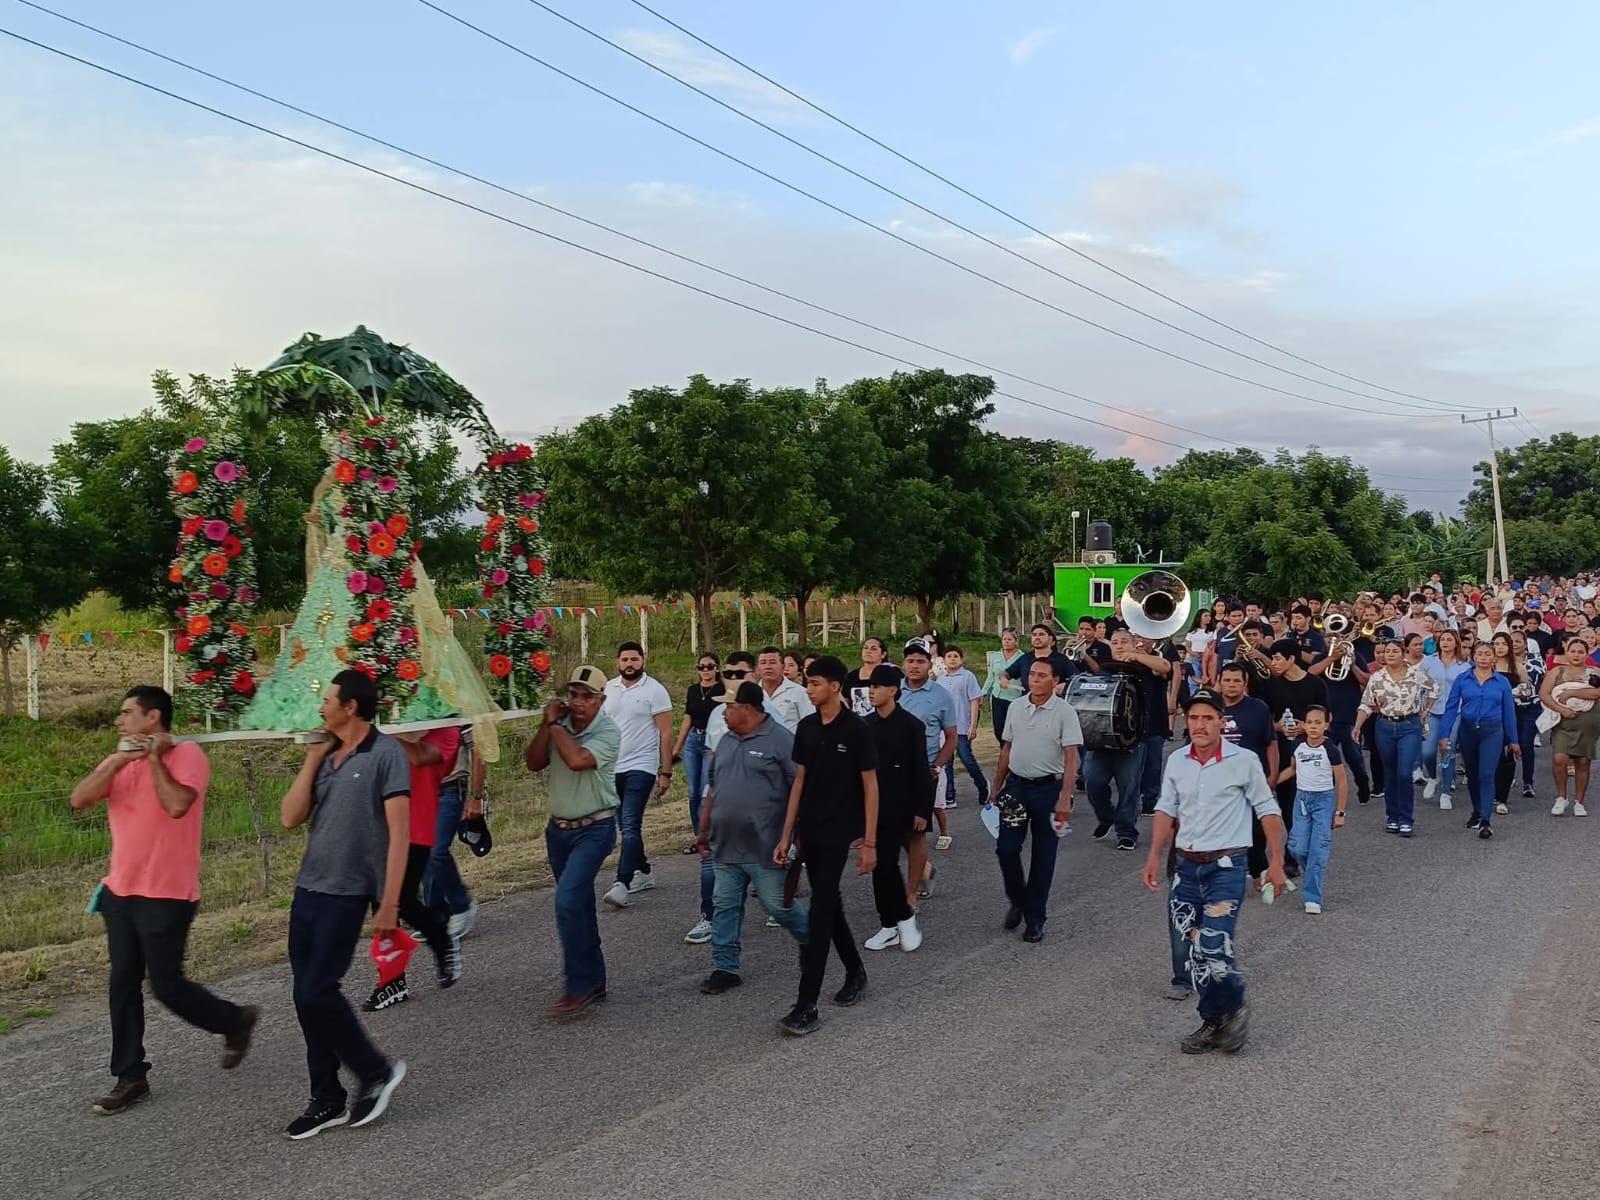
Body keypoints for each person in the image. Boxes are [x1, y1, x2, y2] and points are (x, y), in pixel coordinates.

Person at [68, 686, 257, 1117]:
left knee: (168, 986)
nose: (118, 720)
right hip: (120, 892)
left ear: (153, 717)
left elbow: (176, 806)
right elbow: (78, 800)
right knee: (122, 983)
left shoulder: (187, 755)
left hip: (167, 894)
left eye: (127, 712)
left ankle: (235, 1020)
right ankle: (130, 1075)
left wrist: (154, 759)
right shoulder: (118, 759)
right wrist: (121, 760)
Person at [278, 670, 409, 1138]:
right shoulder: (327, 754)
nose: (321, 707)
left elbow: (399, 834)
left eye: (327, 700)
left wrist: (389, 902)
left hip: (349, 892)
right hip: (309, 888)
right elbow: (290, 817)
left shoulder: (387, 754)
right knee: (306, 995)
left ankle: (375, 1070)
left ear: (350, 707)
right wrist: (313, 758)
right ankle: (327, 1098)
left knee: (317, 990)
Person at [1143, 687, 1286, 1056]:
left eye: (1208, 718)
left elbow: (1267, 810)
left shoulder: (1244, 760)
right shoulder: (1177, 760)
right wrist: (1154, 856)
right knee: (1194, 954)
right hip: (1186, 867)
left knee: (1213, 945)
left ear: (1222, 722)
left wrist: (1276, 863)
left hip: (1226, 867)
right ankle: (1213, 1020)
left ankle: (1235, 1006)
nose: (1200, 725)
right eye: (1193, 717)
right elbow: (1166, 809)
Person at [773, 656, 878, 1037]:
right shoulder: (806, 727)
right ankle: (855, 971)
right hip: (810, 831)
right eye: (807, 682)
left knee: (819, 914)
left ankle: (807, 1005)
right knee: (829, 905)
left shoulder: (857, 729)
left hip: (839, 833)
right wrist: (787, 834)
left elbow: (871, 786)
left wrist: (870, 841)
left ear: (835, 686)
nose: (809, 689)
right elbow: (799, 781)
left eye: (815, 683)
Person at [696, 682, 810, 994]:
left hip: (766, 845)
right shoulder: (726, 741)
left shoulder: (781, 741)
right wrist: (704, 830)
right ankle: (725, 968)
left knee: (778, 906)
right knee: (724, 905)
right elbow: (713, 788)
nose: (723, 713)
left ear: (747, 708)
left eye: (728, 707)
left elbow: (800, 790)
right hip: (726, 844)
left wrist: (794, 836)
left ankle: (812, 939)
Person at [526, 665, 620, 1016]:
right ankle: (593, 981)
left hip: (595, 828)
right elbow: (533, 762)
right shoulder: (560, 725)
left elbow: (578, 760)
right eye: (574, 695)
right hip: (559, 831)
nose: (578, 702)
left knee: (567, 901)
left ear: (601, 700)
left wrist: (554, 725)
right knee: (577, 904)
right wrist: (545, 724)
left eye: (587, 696)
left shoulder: (608, 731)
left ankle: (577, 985)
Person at [363, 727, 464, 1011]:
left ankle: (442, 940)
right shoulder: (382, 721)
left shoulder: (446, 726)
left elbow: (421, 756)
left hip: (415, 824)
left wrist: (383, 731)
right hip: (379, 823)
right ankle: (392, 980)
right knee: (380, 903)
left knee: (402, 900)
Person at [988, 659, 1082, 942]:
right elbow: (1007, 748)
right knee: (1006, 848)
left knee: (1043, 856)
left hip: (1049, 791)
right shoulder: (1016, 707)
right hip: (1016, 787)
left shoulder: (1065, 712)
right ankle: (1018, 899)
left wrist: (1065, 797)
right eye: (1031, 674)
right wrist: (996, 786)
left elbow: (1071, 758)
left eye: (1042, 675)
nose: (1034, 679)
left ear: (1055, 681)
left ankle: (1035, 918)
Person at [860, 665, 933, 953]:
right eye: (869, 686)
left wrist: (922, 810)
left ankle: (897, 919)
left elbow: (921, 770)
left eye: (877, 686)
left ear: (892, 690)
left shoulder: (911, 725)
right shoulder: (865, 725)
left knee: (887, 864)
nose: (871, 691)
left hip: (902, 805)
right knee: (881, 867)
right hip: (874, 808)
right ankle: (890, 923)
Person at [601, 642, 673, 910]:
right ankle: (643, 870)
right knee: (625, 827)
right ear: (617, 662)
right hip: (613, 768)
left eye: (634, 659)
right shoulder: (608, 688)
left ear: (643, 660)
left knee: (631, 825)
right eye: (625, 659)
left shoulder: (655, 690)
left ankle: (622, 883)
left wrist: (665, 772)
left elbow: (666, 733)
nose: (629, 664)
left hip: (642, 766)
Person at [1084, 629, 1158, 852]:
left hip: (1132, 740)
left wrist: (1135, 656)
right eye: (1114, 642)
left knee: (1129, 789)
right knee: (1092, 782)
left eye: (1124, 641)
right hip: (1101, 738)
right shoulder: (1105, 668)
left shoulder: (1145, 667)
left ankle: (1126, 833)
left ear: (1134, 643)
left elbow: (1165, 667)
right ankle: (1106, 816)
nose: (1118, 645)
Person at [1352, 641, 1435, 838]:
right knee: (1390, 773)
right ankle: (1393, 817)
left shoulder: (1416, 673)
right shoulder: (1377, 677)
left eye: (1394, 651)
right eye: (1386, 651)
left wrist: (1426, 710)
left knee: (1404, 773)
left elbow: (1434, 689)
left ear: (1403, 653)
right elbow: (1366, 704)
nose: (1389, 654)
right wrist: (1357, 726)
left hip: (1410, 725)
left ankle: (1406, 819)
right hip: (1385, 726)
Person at [1437, 641, 1519, 839]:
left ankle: (1486, 821)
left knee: (1486, 773)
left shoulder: (1502, 682)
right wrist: (1444, 734)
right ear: (1473, 656)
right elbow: (1451, 707)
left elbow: (1509, 712)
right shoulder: (1462, 679)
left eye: (1487, 654)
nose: (1483, 657)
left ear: (1494, 658)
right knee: (1472, 774)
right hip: (1468, 731)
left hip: (1493, 731)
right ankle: (1477, 811)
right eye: (1479, 653)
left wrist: (1513, 739)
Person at [1262, 639, 1327, 870]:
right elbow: (1264, 720)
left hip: (1311, 751)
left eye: (1278, 658)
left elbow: (1327, 717)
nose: (1273, 662)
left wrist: (1306, 728)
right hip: (1282, 749)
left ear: (1291, 659)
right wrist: (1278, 727)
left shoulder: (1316, 684)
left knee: (1309, 802)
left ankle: (1308, 848)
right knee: (1287, 803)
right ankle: (1291, 856)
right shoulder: (1271, 685)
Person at [1275, 706, 1346, 913]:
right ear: (1303, 725)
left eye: (1318, 723)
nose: (1313, 727)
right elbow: (1293, 769)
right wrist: (1271, 783)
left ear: (1326, 725)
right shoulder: (1298, 746)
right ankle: (1314, 870)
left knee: (1318, 848)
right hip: (1302, 800)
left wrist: (1340, 813)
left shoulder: (1330, 750)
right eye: (1309, 722)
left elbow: (1342, 781)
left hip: (1323, 800)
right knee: (1297, 847)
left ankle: (1312, 897)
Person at [898, 641, 959, 853]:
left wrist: (936, 767)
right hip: (895, 770)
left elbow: (952, 737)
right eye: (910, 661)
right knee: (895, 828)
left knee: (917, 831)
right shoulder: (893, 691)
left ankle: (922, 873)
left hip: (924, 770)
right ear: (903, 664)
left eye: (920, 661)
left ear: (930, 664)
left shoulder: (941, 695)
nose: (914, 666)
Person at [422, 725, 480, 941]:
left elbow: (478, 750)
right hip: (422, 788)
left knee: (436, 850)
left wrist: (476, 797)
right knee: (423, 850)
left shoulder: (458, 709)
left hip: (451, 787)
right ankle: (437, 916)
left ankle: (462, 904)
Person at [1307, 626, 1373, 813]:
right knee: (1326, 759)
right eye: (1329, 636)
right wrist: (1331, 658)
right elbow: (1310, 674)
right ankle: (1327, 796)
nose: (1333, 639)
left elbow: (1367, 681)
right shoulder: (1321, 658)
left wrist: (1352, 665)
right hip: (1326, 717)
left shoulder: (1355, 656)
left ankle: (1363, 784)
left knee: (1355, 758)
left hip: (1350, 715)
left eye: (1337, 636)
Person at [1541, 636, 1600, 816]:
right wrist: (1562, 709)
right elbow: (1544, 694)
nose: (1576, 655)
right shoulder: (1557, 671)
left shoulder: (1595, 672)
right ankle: (1561, 797)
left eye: (1580, 652)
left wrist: (1573, 692)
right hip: (1563, 721)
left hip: (1588, 722)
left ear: (1587, 654)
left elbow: (1597, 693)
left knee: (1582, 762)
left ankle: (1579, 802)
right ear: (1566, 652)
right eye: (1572, 651)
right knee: (1560, 758)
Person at [671, 653, 723, 855]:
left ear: (717, 668)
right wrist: (678, 746)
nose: (706, 670)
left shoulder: (722, 690)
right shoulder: (693, 690)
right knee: (693, 791)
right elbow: (688, 717)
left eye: (710, 666)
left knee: (704, 790)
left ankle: (707, 835)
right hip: (694, 739)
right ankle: (697, 835)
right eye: (701, 667)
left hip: (711, 740)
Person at [1418, 629, 1470, 811]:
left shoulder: (1464, 665)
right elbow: (1418, 684)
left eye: (1449, 640)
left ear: (1456, 643)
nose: (1446, 642)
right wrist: (1421, 708)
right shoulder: (1428, 661)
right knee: (1427, 751)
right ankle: (1433, 777)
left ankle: (1446, 792)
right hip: (1432, 711)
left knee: (1448, 747)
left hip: (1455, 712)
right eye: (1443, 640)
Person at [937, 644, 990, 808]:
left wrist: (973, 726)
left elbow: (974, 701)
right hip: (944, 728)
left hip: (961, 726)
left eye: (956, 656)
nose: (952, 659)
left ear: (961, 659)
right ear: (944, 660)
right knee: (947, 763)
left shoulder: (967, 677)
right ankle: (949, 796)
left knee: (967, 759)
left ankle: (983, 786)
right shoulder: (941, 679)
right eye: (949, 656)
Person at [1488, 632, 1526, 815]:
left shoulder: (1517, 666)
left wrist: (1518, 692)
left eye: (1504, 643)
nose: (1500, 647)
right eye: (1496, 643)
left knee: (1509, 753)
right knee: (1492, 754)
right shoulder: (1486, 665)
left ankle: (1503, 796)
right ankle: (1491, 790)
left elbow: (1528, 688)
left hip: (1513, 713)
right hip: (1490, 713)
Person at [1005, 623, 1076, 697]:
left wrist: (1064, 686)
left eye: (1041, 634)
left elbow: (1076, 680)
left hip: (1053, 701)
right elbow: (1007, 673)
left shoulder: (1062, 659)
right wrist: (1004, 678)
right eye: (1034, 635)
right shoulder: (1025, 658)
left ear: (1050, 639)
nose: (1037, 637)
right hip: (1028, 701)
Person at [758, 645, 817, 733]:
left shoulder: (800, 692)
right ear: (757, 668)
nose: (767, 667)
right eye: (763, 663)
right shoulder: (752, 693)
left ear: (782, 666)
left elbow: (811, 724)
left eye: (772, 662)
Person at [985, 627, 1025, 745]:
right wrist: (983, 693)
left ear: (1016, 641)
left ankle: (1012, 751)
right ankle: (1004, 750)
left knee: (1013, 729)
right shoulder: (995, 656)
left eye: (1010, 639)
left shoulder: (1022, 657)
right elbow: (991, 677)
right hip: (997, 696)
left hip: (1015, 698)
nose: (1006, 642)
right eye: (1004, 639)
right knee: (999, 730)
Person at [846, 637, 889, 716]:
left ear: (883, 654)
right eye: (865, 648)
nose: (868, 651)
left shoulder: (889, 675)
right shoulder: (851, 676)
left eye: (873, 649)